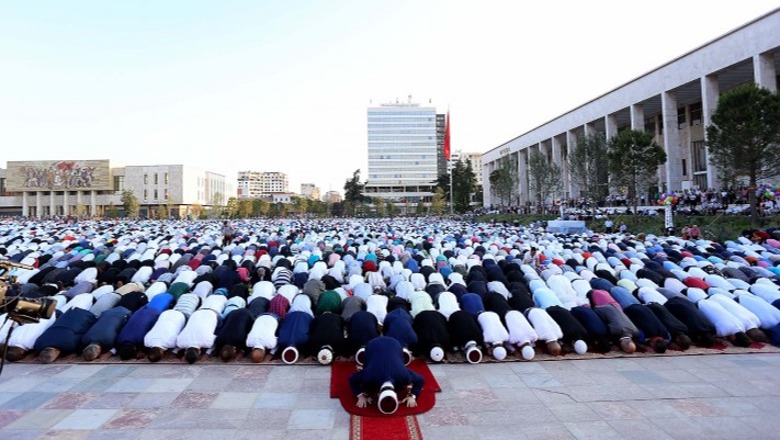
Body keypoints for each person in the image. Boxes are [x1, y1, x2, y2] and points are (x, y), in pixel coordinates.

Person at [348, 336, 425, 415]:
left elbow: (420, 380)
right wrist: (412, 395)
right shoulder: (370, 375)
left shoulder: (403, 376)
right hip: (376, 345)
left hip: (394, 344)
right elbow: (352, 379)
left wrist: (412, 395)